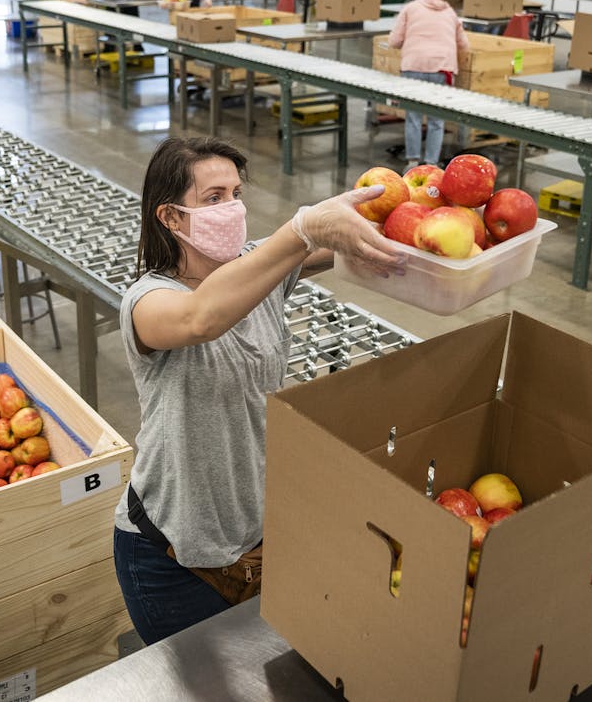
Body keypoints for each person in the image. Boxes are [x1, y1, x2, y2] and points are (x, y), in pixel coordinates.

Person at [113, 136, 402, 646]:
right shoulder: (148, 301)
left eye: (236, 193)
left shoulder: (257, 270)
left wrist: (415, 214)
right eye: (213, 198)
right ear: (171, 218)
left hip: (254, 537)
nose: (232, 208)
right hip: (171, 557)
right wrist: (300, 228)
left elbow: (342, 245)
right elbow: (201, 318)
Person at [387, 0, 470, 171]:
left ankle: (413, 163)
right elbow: (464, 44)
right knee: (436, 119)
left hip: (413, 66)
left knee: (413, 117)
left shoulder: (411, 8)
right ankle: (432, 165)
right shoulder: (450, 12)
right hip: (442, 68)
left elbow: (394, 42)